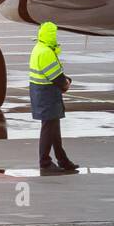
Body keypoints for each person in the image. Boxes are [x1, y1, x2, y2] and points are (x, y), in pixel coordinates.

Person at [28, 22, 79, 171]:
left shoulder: (39, 48)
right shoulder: (46, 52)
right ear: (50, 35)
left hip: (42, 92)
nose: (55, 37)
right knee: (49, 128)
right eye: (54, 34)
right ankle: (45, 162)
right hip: (46, 94)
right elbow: (55, 76)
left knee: (54, 129)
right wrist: (66, 83)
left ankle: (62, 160)